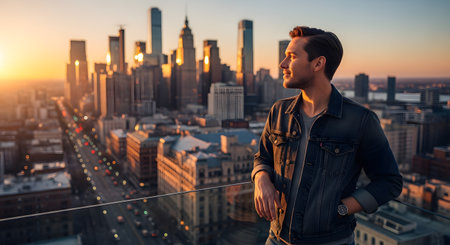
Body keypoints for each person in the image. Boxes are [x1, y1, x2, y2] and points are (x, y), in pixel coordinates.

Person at [252, 26, 403, 245]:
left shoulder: (361, 120)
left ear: (318, 63)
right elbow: (262, 158)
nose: (282, 64)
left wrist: (342, 209)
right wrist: (261, 179)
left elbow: (390, 182)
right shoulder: (279, 111)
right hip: (277, 239)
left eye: (292, 57)